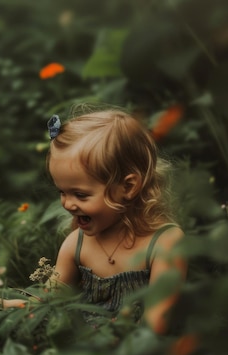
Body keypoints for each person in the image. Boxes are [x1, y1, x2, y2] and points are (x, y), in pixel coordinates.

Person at [46, 108, 187, 333]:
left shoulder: (165, 243)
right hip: (82, 349)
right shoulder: (76, 243)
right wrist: (8, 306)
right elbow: (48, 304)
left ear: (128, 187)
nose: (68, 204)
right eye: (62, 192)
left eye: (80, 194)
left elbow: (156, 323)